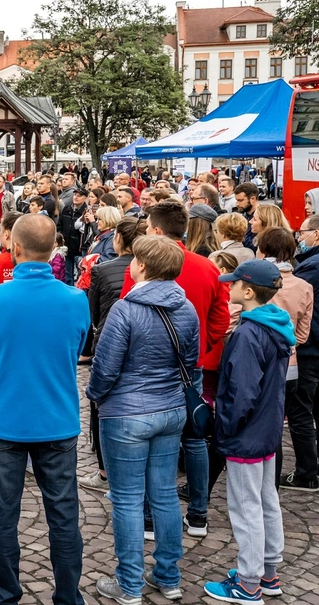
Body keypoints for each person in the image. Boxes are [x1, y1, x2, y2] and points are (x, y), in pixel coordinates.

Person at [0, 214, 89, 605]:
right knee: (64, 515)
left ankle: (4, 595)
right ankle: (68, 597)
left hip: (5, 420)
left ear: (13, 248)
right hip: (57, 419)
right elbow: (80, 340)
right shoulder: (75, 299)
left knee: (3, 516)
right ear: (54, 250)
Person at [88, 235, 198, 604]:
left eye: (134, 259)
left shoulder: (126, 309)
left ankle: (130, 584)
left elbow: (105, 368)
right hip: (170, 409)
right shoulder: (187, 308)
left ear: (143, 266)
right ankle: (168, 576)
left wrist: (96, 396)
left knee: (128, 500)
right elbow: (191, 364)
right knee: (164, 494)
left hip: (126, 413)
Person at [122, 201, 229, 537]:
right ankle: (198, 513)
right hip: (189, 367)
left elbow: (127, 317)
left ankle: (151, 517)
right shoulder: (207, 267)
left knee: (153, 440)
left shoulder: (141, 267)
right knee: (194, 439)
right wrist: (199, 349)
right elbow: (220, 318)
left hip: (149, 369)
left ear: (155, 230)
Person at [204, 259, 293, 604]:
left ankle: (249, 582)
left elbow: (241, 392)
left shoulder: (247, 333)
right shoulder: (275, 325)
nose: (230, 286)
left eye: (235, 283)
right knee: (266, 501)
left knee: (246, 508)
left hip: (246, 433)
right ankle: (268, 573)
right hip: (266, 428)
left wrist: (224, 428)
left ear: (249, 290)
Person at [79, 216, 143, 494]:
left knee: (101, 401)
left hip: (108, 336)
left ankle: (105, 469)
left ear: (119, 239)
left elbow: (91, 312)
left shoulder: (102, 270)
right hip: (141, 339)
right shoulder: (147, 268)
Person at [257, 227, 316, 493]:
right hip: (290, 363)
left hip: (258, 361)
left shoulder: (256, 279)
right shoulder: (303, 286)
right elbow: (302, 334)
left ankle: (261, 481)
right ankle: (272, 484)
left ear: (263, 248)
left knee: (257, 421)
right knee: (278, 423)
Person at [234, 182, 260, 251]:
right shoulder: (244, 215)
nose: (237, 204)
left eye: (240, 200)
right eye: (236, 200)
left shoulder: (263, 218)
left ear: (252, 199)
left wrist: (237, 235)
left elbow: (257, 245)